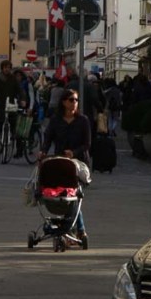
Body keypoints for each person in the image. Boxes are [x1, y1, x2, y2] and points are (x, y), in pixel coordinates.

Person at [40, 89, 91, 239]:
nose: (74, 103)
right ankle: (78, 230)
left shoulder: (83, 120)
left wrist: (74, 153)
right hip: (59, 163)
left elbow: (87, 144)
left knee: (74, 194)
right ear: (63, 102)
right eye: (71, 100)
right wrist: (43, 151)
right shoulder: (56, 120)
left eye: (76, 100)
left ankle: (74, 229)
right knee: (66, 196)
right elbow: (48, 138)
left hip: (78, 163)